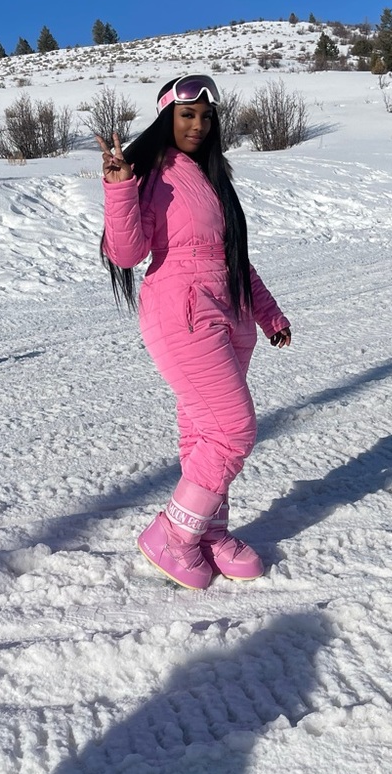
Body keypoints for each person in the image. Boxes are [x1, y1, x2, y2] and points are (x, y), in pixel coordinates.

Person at [98, 74, 291, 591]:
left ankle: (208, 532)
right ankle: (173, 533)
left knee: (206, 433)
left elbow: (236, 259)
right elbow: (126, 254)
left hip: (231, 312)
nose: (198, 125)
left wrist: (268, 314)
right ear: (167, 119)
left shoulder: (211, 176)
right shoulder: (151, 173)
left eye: (206, 117)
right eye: (187, 116)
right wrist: (118, 188)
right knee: (235, 430)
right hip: (183, 310)